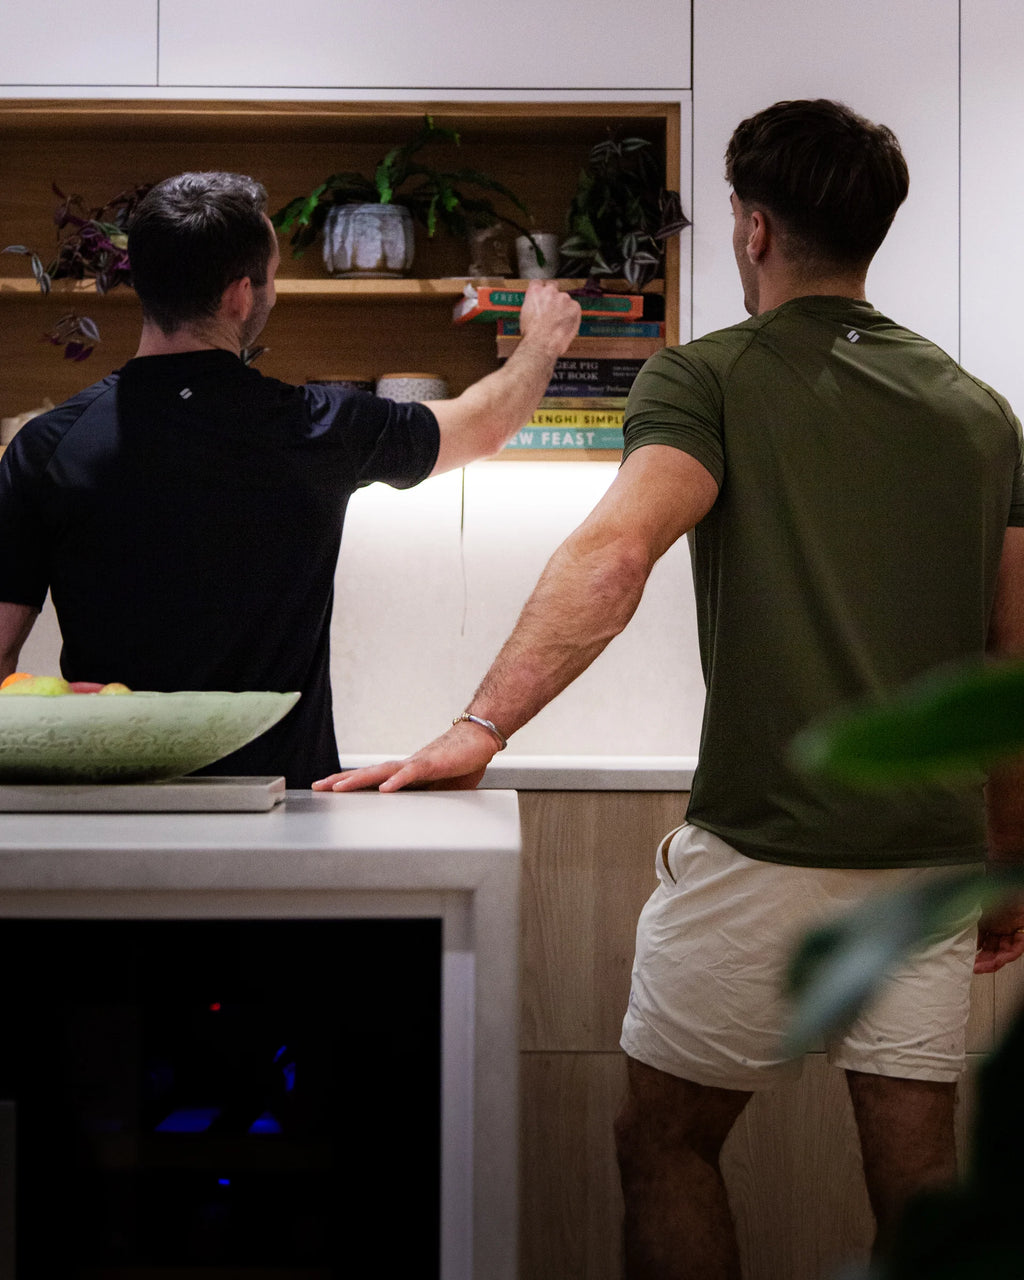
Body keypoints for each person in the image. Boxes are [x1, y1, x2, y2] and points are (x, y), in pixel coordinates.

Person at [315, 99, 1024, 1276]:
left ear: (750, 229)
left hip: (760, 842)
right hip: (932, 856)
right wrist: (1008, 850)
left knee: (665, 1141)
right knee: (916, 1170)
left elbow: (613, 553)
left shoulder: (710, 377)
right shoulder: (980, 413)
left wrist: (478, 723)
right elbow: (1011, 660)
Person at [0, 171, 581, 788]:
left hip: (103, 815)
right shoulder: (319, 426)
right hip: (280, 813)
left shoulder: (47, 445)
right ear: (240, 296)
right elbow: (483, 426)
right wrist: (541, 341)